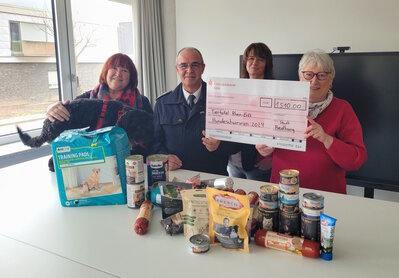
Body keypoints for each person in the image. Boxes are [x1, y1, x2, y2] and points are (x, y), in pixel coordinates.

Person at [256, 49, 367, 194]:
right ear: (300, 77)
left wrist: (327, 139)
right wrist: (265, 150)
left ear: (331, 79)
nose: (314, 81)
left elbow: (356, 159)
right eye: (308, 74)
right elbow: (266, 149)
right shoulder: (281, 104)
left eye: (321, 75)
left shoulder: (342, 109)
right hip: (284, 193)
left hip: (326, 197)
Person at [46, 53, 153, 161]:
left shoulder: (142, 102)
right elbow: (65, 125)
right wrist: (52, 109)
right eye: (114, 68)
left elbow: (153, 138)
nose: (118, 74)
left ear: (131, 77)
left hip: (131, 164)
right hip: (90, 161)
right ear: (106, 72)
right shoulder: (87, 98)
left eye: (124, 70)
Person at [152, 47, 238, 175]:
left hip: (212, 177)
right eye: (183, 66)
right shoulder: (163, 103)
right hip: (176, 176)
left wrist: (221, 144)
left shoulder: (222, 100)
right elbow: (154, 141)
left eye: (195, 65)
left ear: (203, 68)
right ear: (177, 69)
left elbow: (238, 142)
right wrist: (164, 157)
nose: (189, 70)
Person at [227, 42, 274, 181]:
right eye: (251, 58)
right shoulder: (235, 89)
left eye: (260, 59)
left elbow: (280, 127)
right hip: (234, 160)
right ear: (245, 62)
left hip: (259, 162)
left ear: (267, 64)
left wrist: (271, 158)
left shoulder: (275, 90)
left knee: (257, 201)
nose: (254, 63)